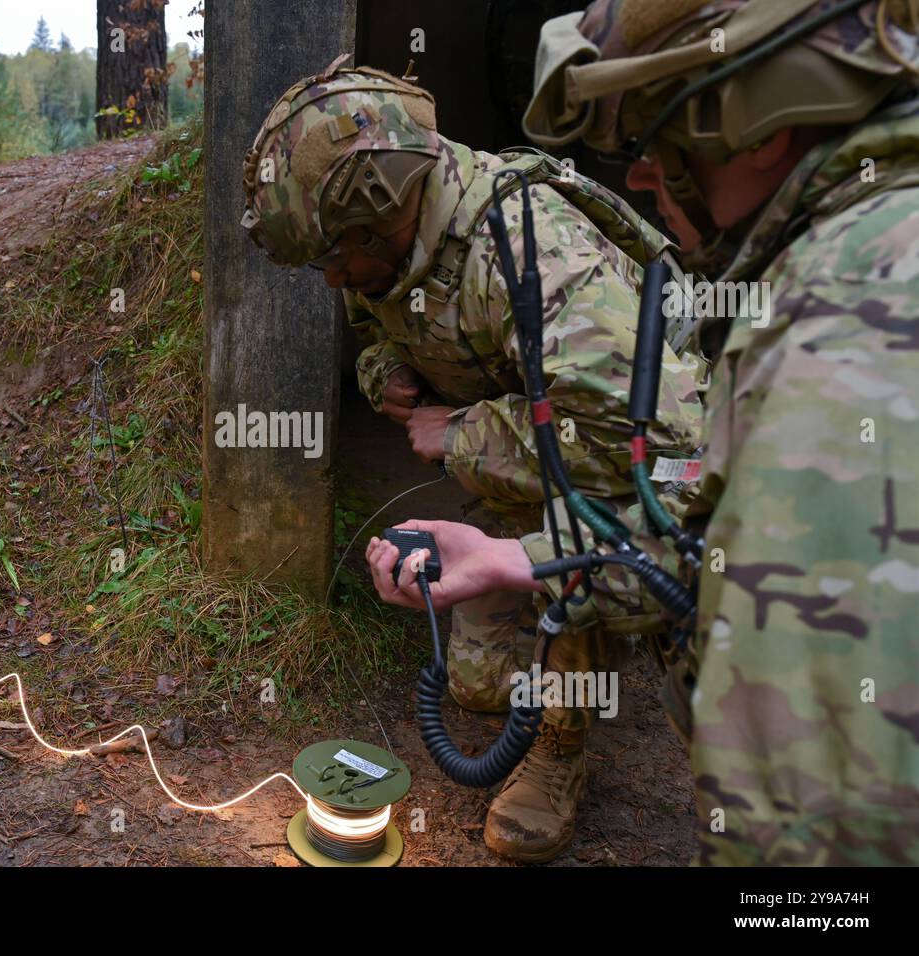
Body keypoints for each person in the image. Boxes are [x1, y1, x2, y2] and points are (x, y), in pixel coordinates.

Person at [382, 0, 919, 864]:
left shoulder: (847, 332)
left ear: (754, 132)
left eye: (657, 141)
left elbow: (829, 844)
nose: (637, 179)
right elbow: (737, 551)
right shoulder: (846, 263)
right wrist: (521, 560)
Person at [242, 55, 707, 861]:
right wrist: (384, 375)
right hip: (524, 459)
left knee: (679, 673)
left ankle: (566, 743)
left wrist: (460, 436)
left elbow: (667, 460)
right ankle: (557, 686)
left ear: (381, 218)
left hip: (623, 484)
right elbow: (373, 328)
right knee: (482, 685)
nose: (330, 281)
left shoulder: (534, 252)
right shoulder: (382, 242)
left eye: (333, 259)